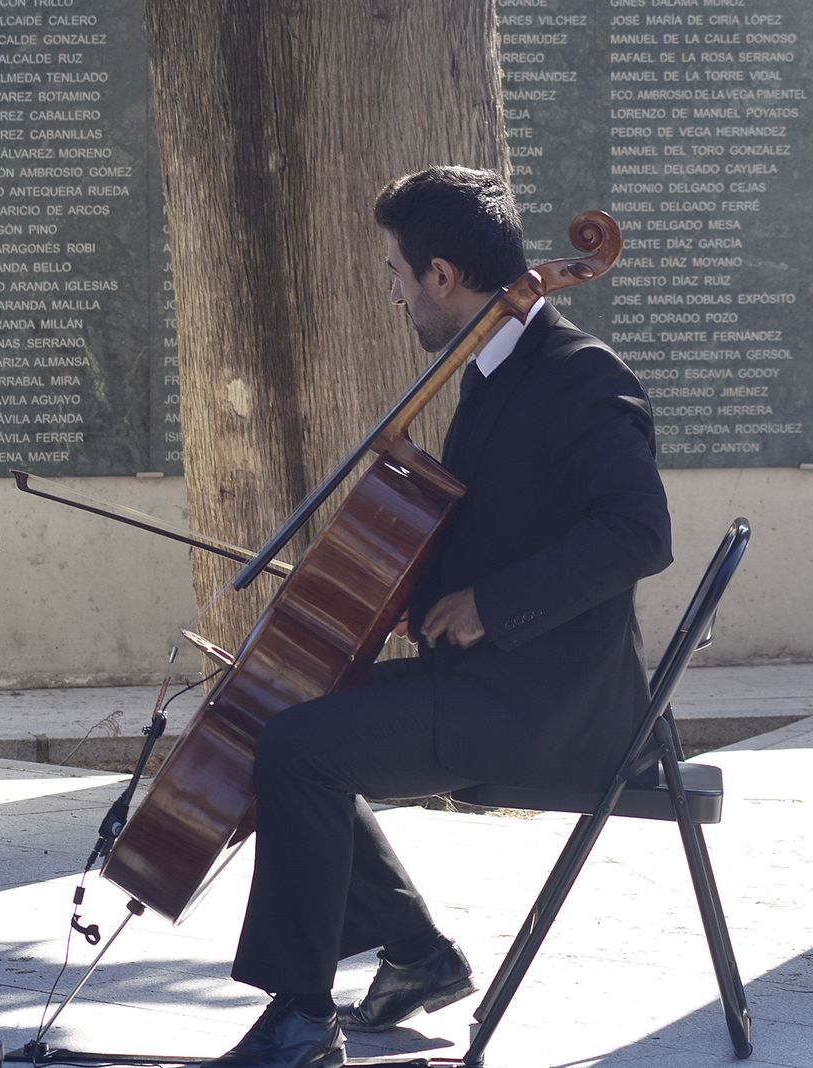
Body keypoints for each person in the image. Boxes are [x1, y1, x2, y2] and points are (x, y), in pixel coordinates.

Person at [204, 167, 672, 1068]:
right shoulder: (490, 375)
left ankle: (302, 1019)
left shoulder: (579, 376)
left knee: (302, 749)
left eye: (395, 274)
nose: (394, 294)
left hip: (551, 702)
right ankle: (415, 957)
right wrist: (369, 607)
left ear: (443, 276)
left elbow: (638, 534)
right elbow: (488, 531)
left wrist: (490, 606)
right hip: (494, 680)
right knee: (291, 728)